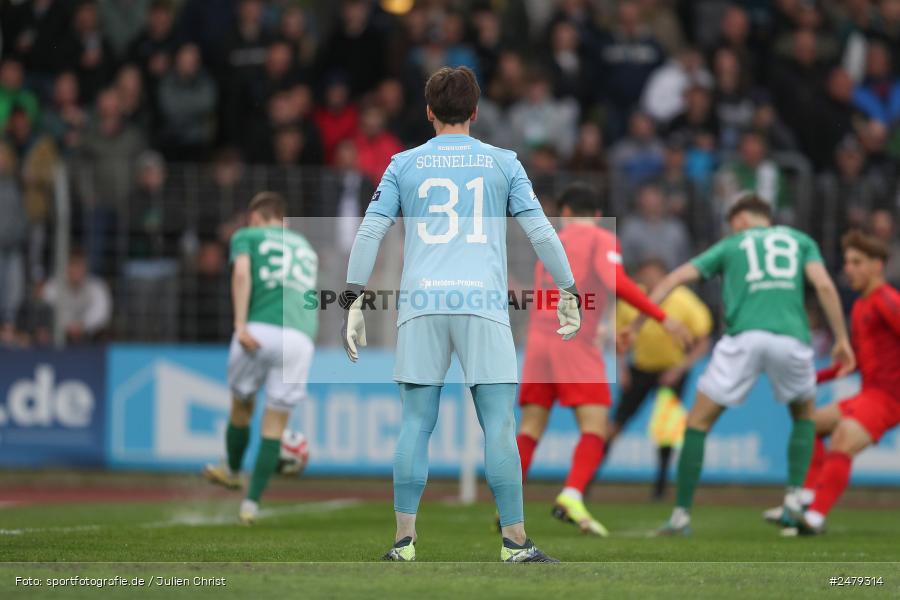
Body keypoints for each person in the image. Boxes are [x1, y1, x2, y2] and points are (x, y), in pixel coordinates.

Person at [342, 66, 576, 563]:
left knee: (415, 424)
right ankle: (515, 544)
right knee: (498, 425)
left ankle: (403, 542)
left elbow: (368, 233)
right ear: (475, 111)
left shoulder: (402, 164)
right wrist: (570, 288)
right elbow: (541, 233)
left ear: (429, 112)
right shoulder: (504, 162)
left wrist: (352, 300)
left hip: (422, 303)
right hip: (481, 304)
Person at [644, 194, 855, 535]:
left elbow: (674, 279)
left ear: (741, 219)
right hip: (792, 339)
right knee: (804, 416)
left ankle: (680, 516)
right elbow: (826, 286)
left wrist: (640, 321)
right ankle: (793, 500)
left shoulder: (732, 244)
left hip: (743, 339)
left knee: (697, 422)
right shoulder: (801, 241)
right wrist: (842, 339)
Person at [515, 185, 693, 536]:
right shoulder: (598, 238)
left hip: (538, 341)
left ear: (564, 212)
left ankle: (507, 504)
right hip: (574, 342)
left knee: (531, 427)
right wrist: (660, 316)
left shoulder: (549, 240)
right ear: (596, 215)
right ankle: (572, 494)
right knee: (595, 426)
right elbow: (617, 281)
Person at [202, 192, 318, 525]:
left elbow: (241, 274)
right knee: (275, 424)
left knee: (241, 406)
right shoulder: (305, 248)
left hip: (260, 329)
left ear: (255, 218)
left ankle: (233, 471)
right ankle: (250, 505)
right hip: (299, 336)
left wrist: (239, 323)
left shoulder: (247, 236)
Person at [780, 231, 900, 535]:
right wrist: (814, 378)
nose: (848, 268)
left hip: (889, 398)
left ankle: (815, 517)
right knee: (811, 423)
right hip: (870, 393)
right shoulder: (861, 306)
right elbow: (854, 361)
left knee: (843, 437)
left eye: (857, 262)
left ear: (877, 265)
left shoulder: (887, 301)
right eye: (846, 262)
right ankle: (807, 498)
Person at [610, 258, 712, 500]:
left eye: (654, 274)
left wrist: (680, 368)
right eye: (645, 275)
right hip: (640, 370)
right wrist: (621, 368)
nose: (650, 280)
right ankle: (585, 483)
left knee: (667, 430)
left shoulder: (685, 301)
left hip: (670, 372)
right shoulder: (632, 300)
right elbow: (619, 337)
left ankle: (660, 488)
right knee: (616, 423)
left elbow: (703, 340)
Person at [41, 248, 113, 344]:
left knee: (103, 333)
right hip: (60, 334)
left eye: (79, 266)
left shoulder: (97, 287)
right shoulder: (53, 286)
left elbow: (101, 313)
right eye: (73, 265)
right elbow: (47, 309)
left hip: (89, 334)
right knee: (43, 331)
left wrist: (83, 325)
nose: (76, 271)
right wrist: (68, 326)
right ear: (66, 268)